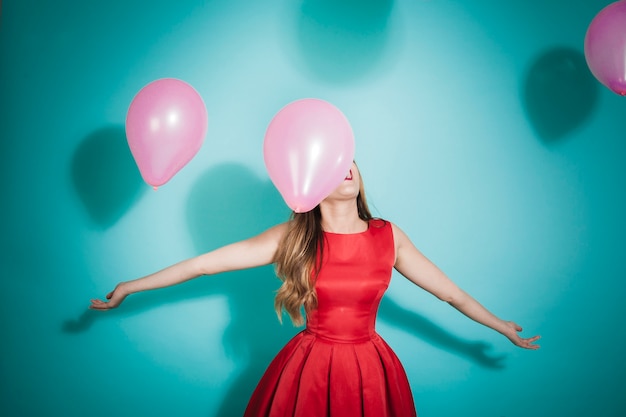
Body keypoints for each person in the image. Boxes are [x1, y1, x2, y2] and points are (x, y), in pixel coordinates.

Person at [90, 161, 540, 416]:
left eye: (351, 159)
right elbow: (205, 265)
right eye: (332, 162)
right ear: (311, 183)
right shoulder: (293, 237)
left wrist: (502, 327)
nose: (346, 166)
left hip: (371, 370)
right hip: (310, 368)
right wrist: (130, 286)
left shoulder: (389, 235)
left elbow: (451, 293)